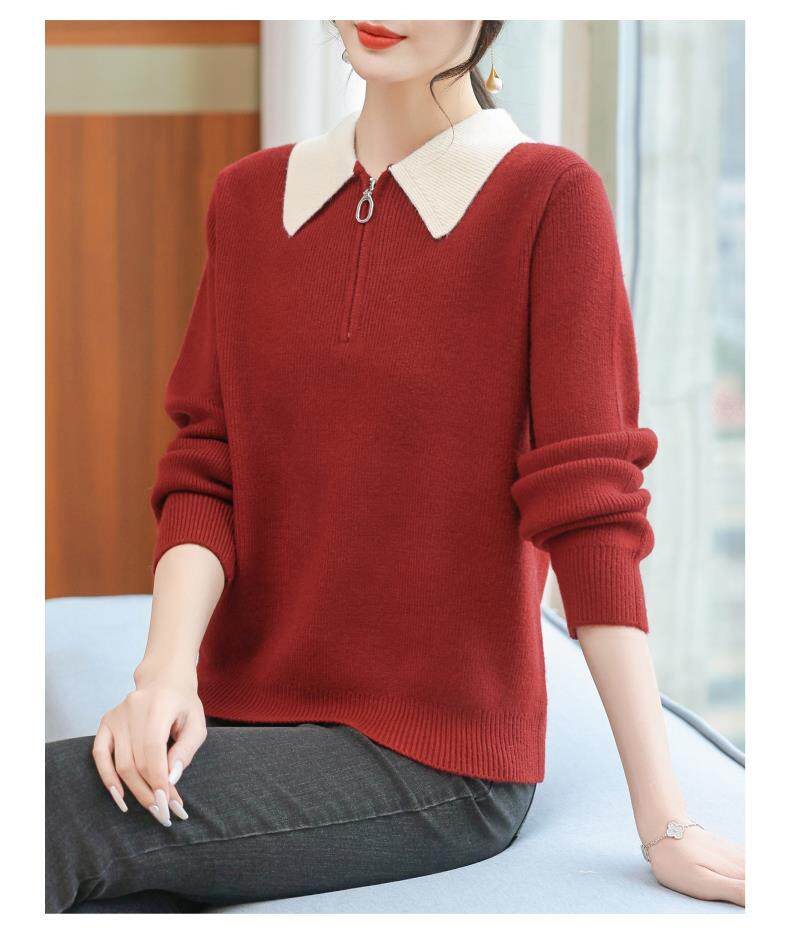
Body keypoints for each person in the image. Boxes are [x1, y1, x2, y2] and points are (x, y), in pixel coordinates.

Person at [45, 20, 745, 913]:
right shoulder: (249, 198)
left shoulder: (548, 198)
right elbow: (207, 467)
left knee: (49, 809)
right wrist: (165, 676)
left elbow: (590, 511)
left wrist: (666, 824)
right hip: (242, 718)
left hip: (442, 763)